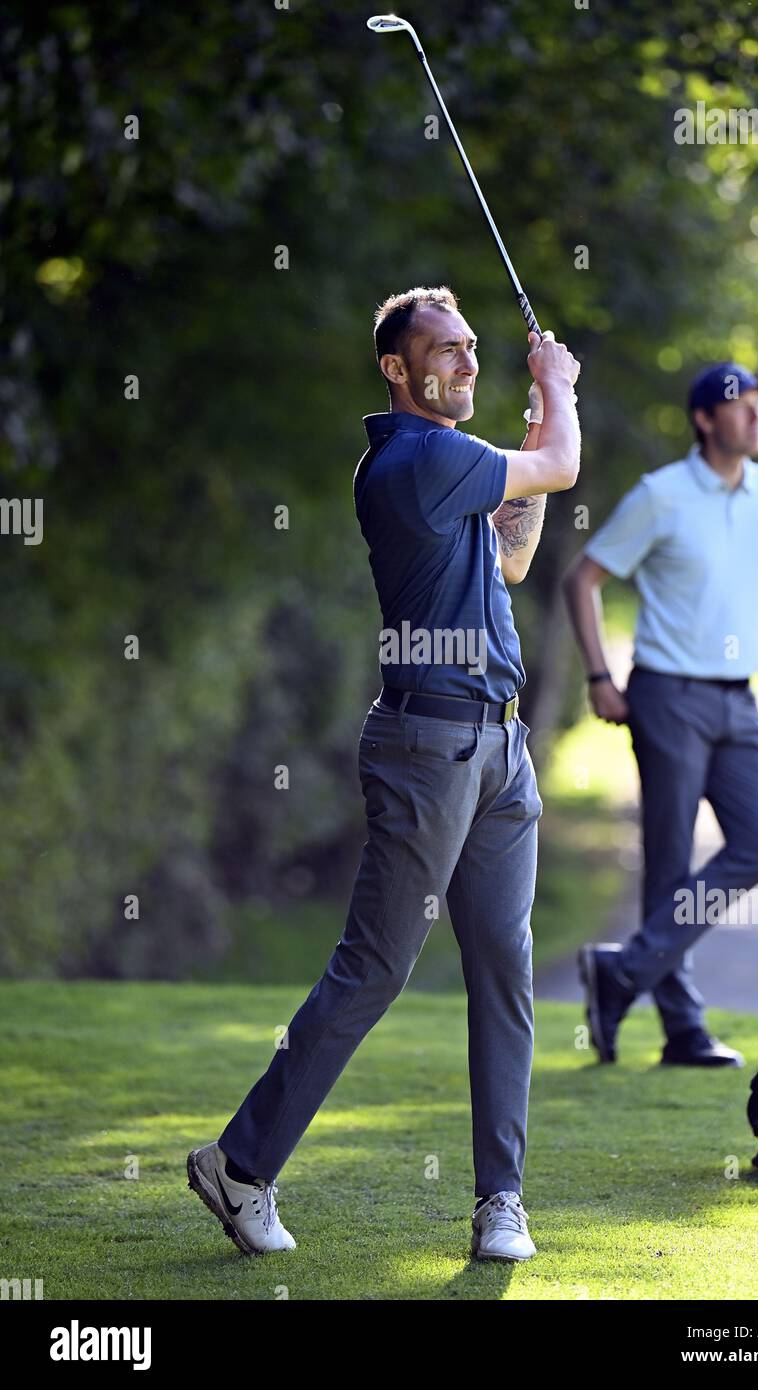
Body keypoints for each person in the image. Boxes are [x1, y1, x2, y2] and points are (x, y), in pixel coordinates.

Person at [188, 286, 580, 1260]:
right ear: (397, 371)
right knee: (374, 966)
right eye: (442, 350)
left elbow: (515, 555)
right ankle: (239, 1165)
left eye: (471, 346)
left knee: (505, 968)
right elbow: (562, 468)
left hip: (497, 746)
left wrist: (533, 411)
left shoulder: (453, 471)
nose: (464, 361)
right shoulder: (415, 457)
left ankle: (499, 1203)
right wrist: (559, 386)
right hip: (426, 748)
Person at [561, 361, 758, 1068]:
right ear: (705, 419)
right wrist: (600, 676)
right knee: (667, 866)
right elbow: (584, 577)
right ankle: (683, 1029)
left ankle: (623, 973)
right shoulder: (660, 496)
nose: (757, 414)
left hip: (739, 698)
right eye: (741, 404)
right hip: (667, 694)